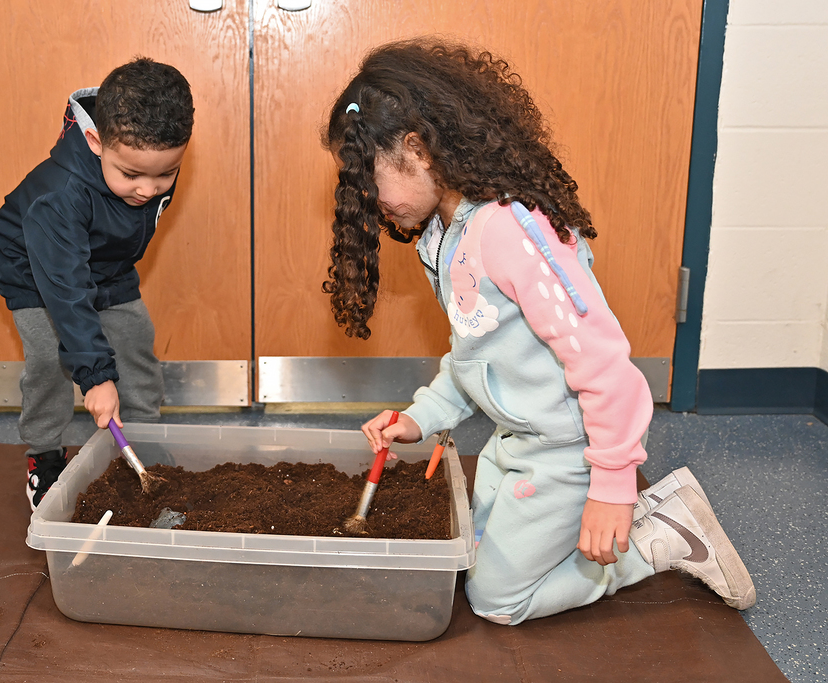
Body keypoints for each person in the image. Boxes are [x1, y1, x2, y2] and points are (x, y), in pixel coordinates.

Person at [323, 39, 755, 624]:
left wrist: (611, 484)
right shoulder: (442, 235)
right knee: (468, 556)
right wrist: (419, 417)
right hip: (518, 441)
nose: (370, 204)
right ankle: (610, 520)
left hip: (569, 450)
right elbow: (474, 355)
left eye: (367, 181)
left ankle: (663, 536)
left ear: (417, 149)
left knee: (495, 600)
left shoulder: (511, 232)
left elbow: (603, 365)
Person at [0, 57, 194, 510]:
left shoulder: (147, 162)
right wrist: (96, 377)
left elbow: (140, 186)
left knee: (135, 342)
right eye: (132, 175)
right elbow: (66, 290)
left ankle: (140, 444)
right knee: (50, 359)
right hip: (37, 270)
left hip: (105, 262)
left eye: (167, 173)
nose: (149, 190)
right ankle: (43, 456)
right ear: (94, 141)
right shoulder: (59, 196)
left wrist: (106, 366)